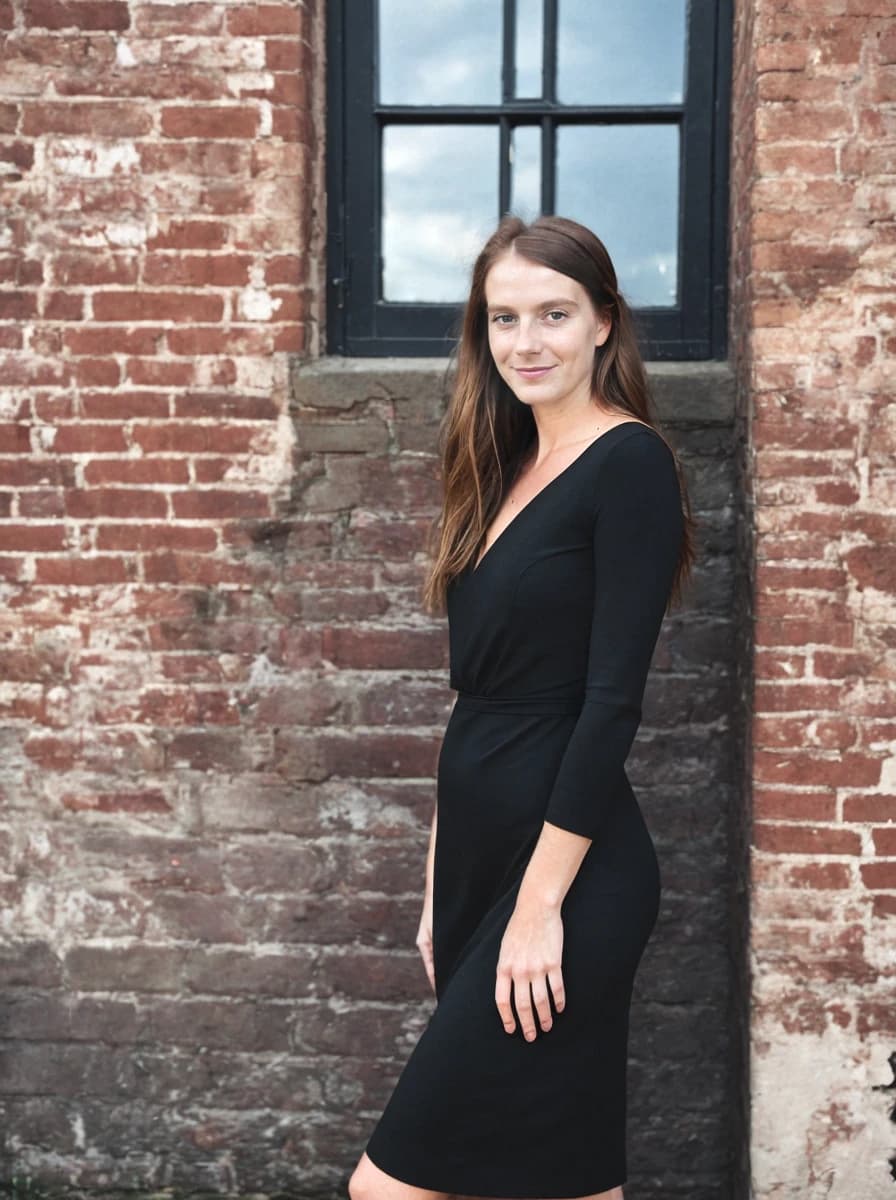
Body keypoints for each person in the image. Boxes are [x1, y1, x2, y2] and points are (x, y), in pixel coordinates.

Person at [349, 214, 696, 1200]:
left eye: (552, 313)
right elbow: (476, 708)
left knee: (388, 1186)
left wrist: (539, 909)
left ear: (602, 324)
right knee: (562, 1176)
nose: (525, 342)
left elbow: (608, 707)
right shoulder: (498, 469)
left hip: (567, 879)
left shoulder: (628, 464)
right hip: (478, 858)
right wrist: (433, 888)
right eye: (503, 318)